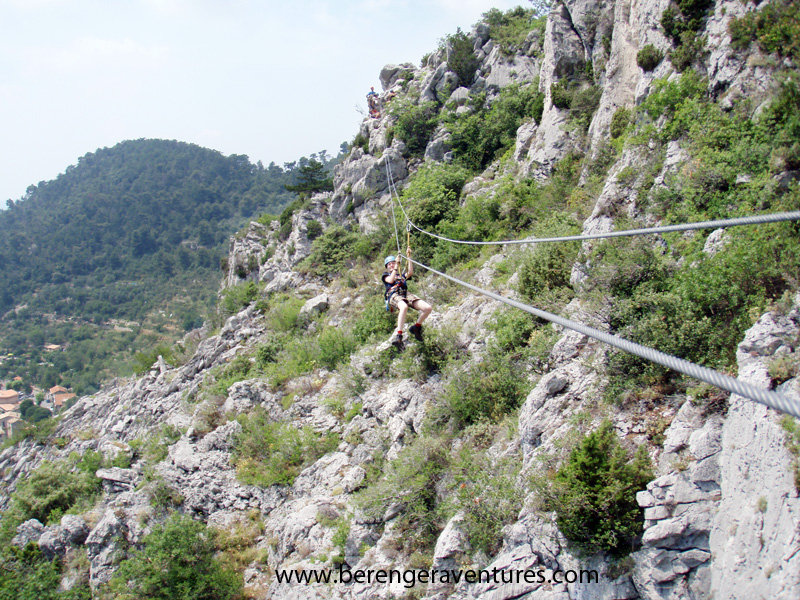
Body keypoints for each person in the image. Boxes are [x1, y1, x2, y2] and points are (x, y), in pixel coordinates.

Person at [382, 248, 432, 348]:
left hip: (405, 293)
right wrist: (396, 266)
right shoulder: (386, 275)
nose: (391, 265)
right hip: (394, 294)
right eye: (389, 264)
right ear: (387, 267)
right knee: (404, 307)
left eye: (392, 263)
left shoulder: (400, 275)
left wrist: (409, 257)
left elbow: (410, 273)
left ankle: (416, 327)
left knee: (427, 308)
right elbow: (391, 280)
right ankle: (399, 336)